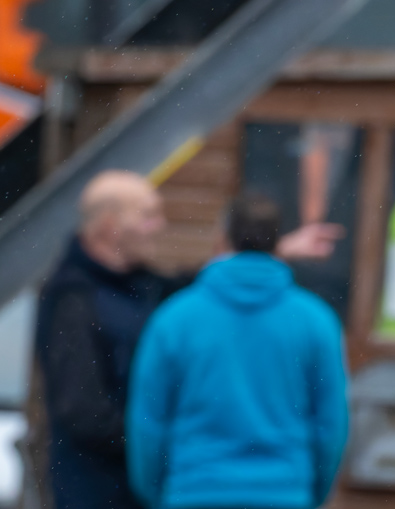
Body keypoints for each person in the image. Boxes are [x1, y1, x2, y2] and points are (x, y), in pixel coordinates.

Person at [35, 171, 344, 509]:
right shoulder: (72, 300)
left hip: (172, 487)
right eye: (148, 215)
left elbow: (216, 281)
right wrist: (164, 439)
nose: (160, 225)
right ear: (111, 225)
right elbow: (83, 411)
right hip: (95, 493)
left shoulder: (148, 292)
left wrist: (268, 249)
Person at [126, 191, 349, 509]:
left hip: (193, 491)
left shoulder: (174, 319)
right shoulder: (317, 321)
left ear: (222, 238)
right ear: (277, 243)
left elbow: (148, 423)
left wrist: (158, 492)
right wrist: (311, 492)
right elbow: (331, 423)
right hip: (284, 493)